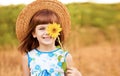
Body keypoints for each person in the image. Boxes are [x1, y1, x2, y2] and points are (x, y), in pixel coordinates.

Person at [16, 0, 82, 76]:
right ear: (34, 33)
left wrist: (78, 75)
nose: (47, 32)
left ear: (57, 31)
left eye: (51, 28)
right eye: (41, 28)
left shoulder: (65, 56)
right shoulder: (28, 57)